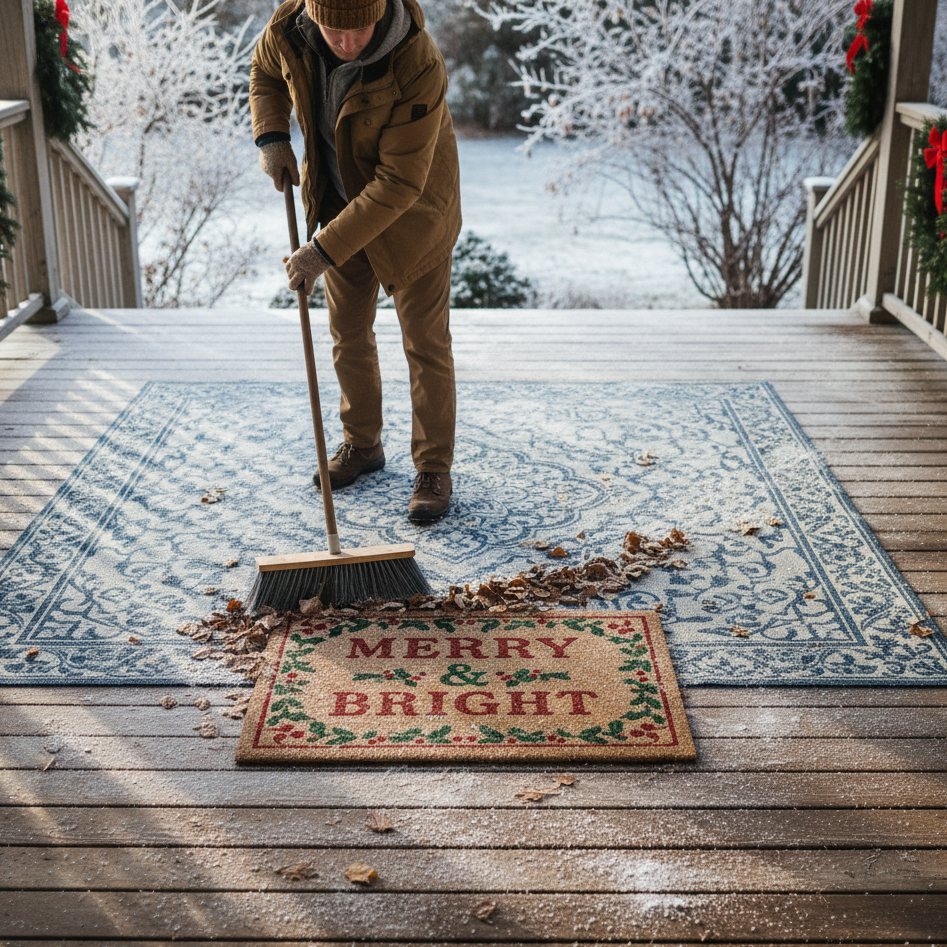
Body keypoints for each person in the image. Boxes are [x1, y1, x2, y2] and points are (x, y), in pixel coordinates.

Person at [250, 0, 461, 522]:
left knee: (425, 343)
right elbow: (263, 71)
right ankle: (363, 445)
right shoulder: (290, 29)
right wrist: (272, 136)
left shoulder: (418, 61)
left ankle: (434, 466)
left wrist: (320, 251)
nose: (345, 43)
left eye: (359, 30)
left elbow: (399, 183)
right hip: (340, 204)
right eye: (333, 31)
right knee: (348, 332)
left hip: (414, 216)